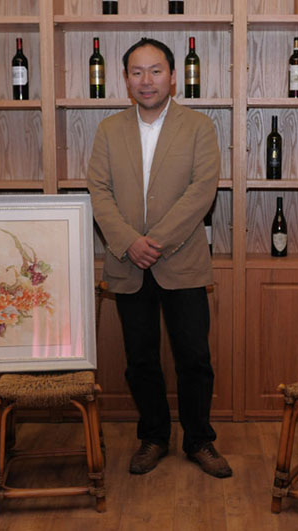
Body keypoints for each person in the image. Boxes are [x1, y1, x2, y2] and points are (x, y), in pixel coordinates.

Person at [87, 38, 231, 478]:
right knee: (141, 359)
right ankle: (152, 437)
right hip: (127, 263)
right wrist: (129, 242)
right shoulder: (109, 129)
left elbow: (202, 191)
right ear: (126, 79)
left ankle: (199, 440)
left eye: (155, 71)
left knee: (194, 358)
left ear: (172, 76)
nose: (146, 80)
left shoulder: (199, 127)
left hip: (183, 262)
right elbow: (99, 191)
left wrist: (156, 241)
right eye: (137, 72)